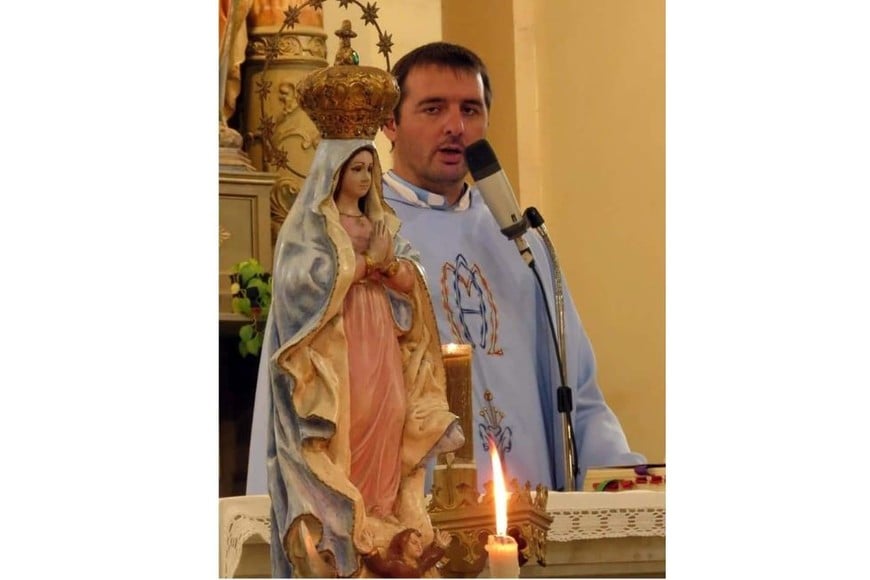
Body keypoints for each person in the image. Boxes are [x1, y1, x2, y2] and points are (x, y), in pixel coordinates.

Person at [380, 42, 646, 491]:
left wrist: (619, 479)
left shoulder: (520, 240)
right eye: (433, 108)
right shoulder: (369, 236)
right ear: (390, 122)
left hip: (532, 511)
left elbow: (577, 390)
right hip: (417, 512)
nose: (455, 127)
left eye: (470, 110)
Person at [251, 131, 463, 575]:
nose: (365, 178)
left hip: (379, 330)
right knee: (356, 416)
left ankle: (383, 513)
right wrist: (365, 265)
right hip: (341, 342)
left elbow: (412, 280)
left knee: (391, 412)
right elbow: (301, 282)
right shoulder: (312, 227)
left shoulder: (381, 224)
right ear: (335, 174)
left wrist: (390, 265)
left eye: (370, 169)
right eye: (356, 170)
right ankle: (353, 522)